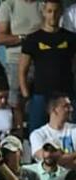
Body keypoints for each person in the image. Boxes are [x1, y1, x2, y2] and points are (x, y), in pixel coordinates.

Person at [19, 0, 76, 130]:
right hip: (40, 95)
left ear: (61, 12)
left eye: (56, 11)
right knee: (36, 133)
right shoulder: (32, 39)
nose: (53, 15)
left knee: (70, 133)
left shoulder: (71, 38)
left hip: (66, 94)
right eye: (49, 11)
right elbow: (22, 70)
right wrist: (26, 96)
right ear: (43, 12)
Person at [0, 0, 43, 105]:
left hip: (40, 62)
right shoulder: (8, 6)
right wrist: (24, 38)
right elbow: (0, 38)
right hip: (15, 62)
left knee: (43, 102)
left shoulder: (42, 5)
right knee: (16, 103)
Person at [31, 95, 76, 166]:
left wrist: (59, 158)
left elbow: (52, 160)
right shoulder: (37, 134)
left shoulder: (74, 129)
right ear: (54, 110)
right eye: (66, 106)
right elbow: (47, 160)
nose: (71, 109)